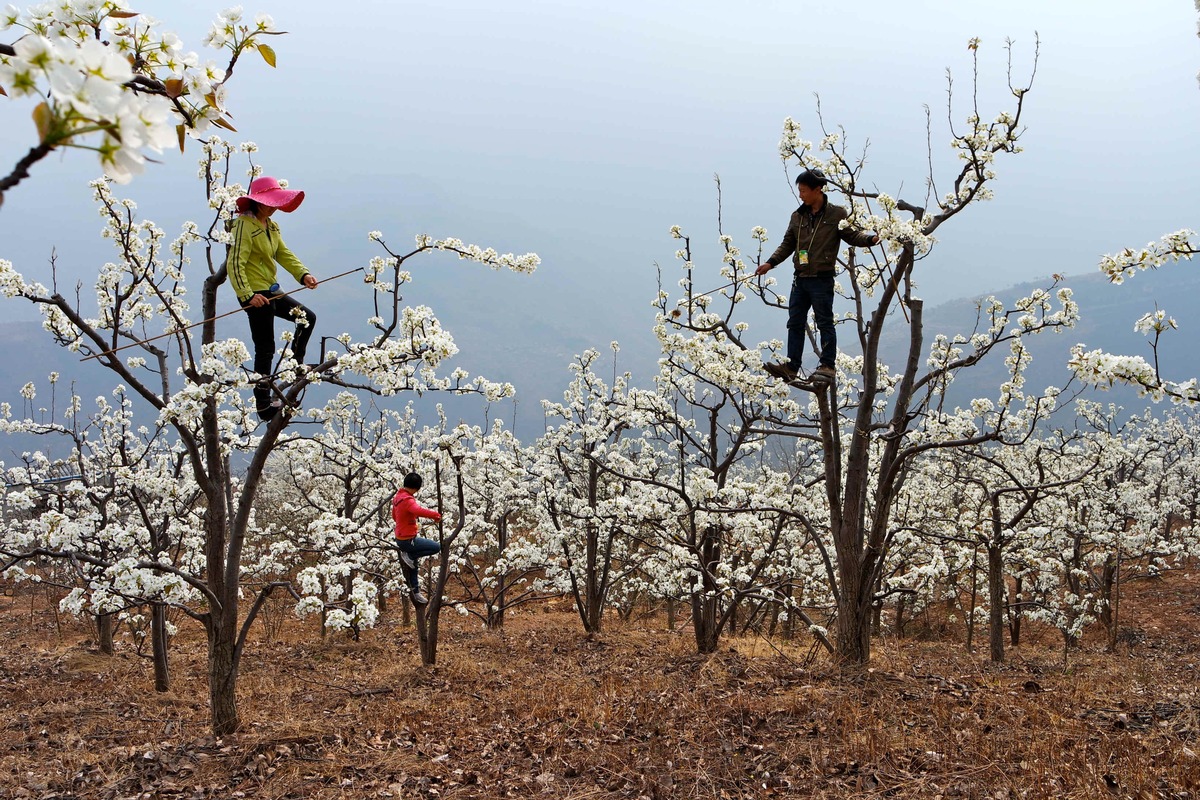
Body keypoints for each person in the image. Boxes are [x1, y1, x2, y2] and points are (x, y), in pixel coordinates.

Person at [754, 169, 879, 382]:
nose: (800, 195)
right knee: (795, 322)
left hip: (822, 279)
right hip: (800, 278)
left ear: (817, 189)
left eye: (803, 190)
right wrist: (770, 263)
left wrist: (870, 239)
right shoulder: (797, 216)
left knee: (824, 322)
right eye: (800, 191)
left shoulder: (837, 214)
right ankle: (792, 366)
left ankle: (828, 366)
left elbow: (850, 235)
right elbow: (787, 244)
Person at [229, 175, 319, 421]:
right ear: (255, 201)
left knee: (306, 319)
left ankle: (296, 365)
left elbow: (282, 252)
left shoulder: (271, 225)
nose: (271, 207)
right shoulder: (242, 226)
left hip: (271, 289)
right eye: (267, 202)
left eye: (273, 202)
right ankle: (263, 406)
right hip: (254, 293)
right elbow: (235, 263)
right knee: (265, 347)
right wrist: (248, 295)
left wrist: (303, 274)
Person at [391, 472, 443, 605]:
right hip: (408, 540)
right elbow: (417, 510)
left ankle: (416, 592)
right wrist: (436, 515)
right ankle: (409, 555)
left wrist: (406, 523)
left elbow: (394, 517)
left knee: (413, 564)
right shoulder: (408, 500)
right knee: (436, 547)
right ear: (416, 488)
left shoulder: (397, 497)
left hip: (400, 538)